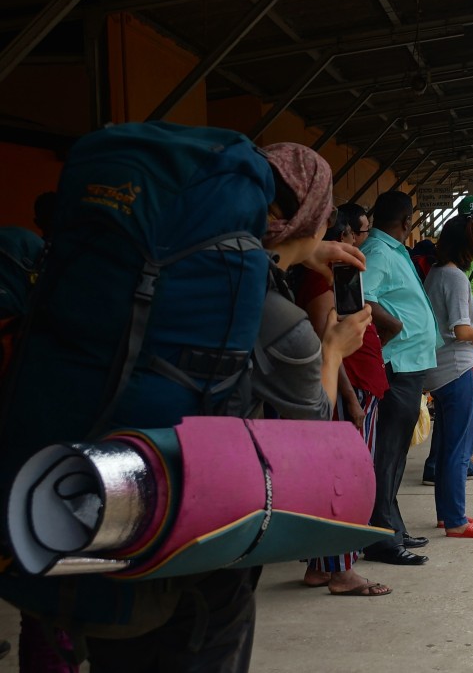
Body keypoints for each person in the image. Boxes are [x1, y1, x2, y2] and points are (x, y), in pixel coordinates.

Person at [85, 142, 373, 672]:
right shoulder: (278, 318)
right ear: (312, 215)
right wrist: (332, 350)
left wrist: (303, 251)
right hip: (205, 523)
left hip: (114, 494)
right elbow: (311, 434)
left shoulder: (166, 271)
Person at [295, 203, 397, 596]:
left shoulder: (328, 280)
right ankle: (341, 569)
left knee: (341, 475)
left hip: (354, 387)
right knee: (347, 479)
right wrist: (353, 401)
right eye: (354, 235)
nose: (359, 242)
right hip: (345, 391)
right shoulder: (320, 283)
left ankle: (323, 566)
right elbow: (329, 347)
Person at [360, 191, 441, 566]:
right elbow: (361, 294)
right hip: (398, 362)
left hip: (410, 362)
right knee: (388, 453)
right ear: (407, 221)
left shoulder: (391, 249)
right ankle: (380, 539)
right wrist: (391, 325)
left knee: (395, 454)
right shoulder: (379, 252)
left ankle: (393, 525)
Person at [422, 213, 473, 539]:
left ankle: (447, 514)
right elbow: (460, 329)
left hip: (440, 369)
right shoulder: (454, 278)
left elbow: (446, 328)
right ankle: (455, 521)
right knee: (458, 451)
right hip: (457, 371)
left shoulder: (436, 274)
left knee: (447, 450)